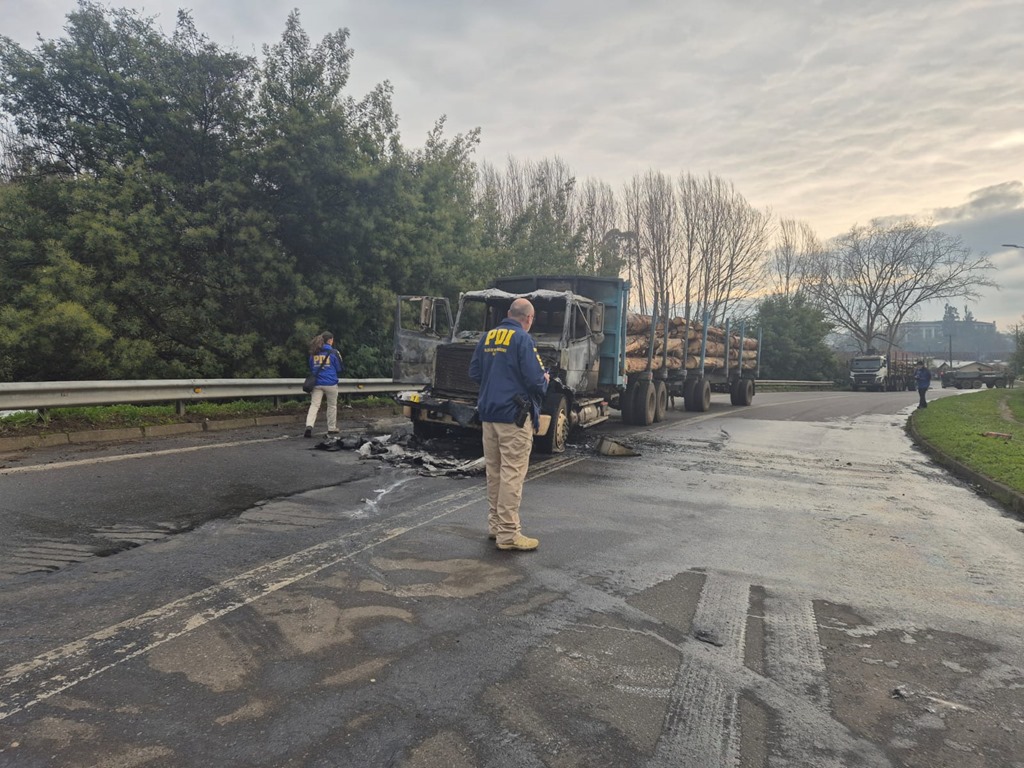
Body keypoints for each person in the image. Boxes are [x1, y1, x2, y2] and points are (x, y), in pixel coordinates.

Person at [469, 298, 550, 551]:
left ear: (508, 313)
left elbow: (474, 373)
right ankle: (508, 534)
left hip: (489, 415)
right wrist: (545, 379)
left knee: (494, 472)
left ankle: (495, 526)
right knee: (512, 474)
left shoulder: (488, 337)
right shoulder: (523, 339)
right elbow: (536, 381)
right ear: (529, 319)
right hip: (514, 417)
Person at [304, 332, 345, 438]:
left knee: (314, 405)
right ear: (330, 340)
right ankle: (331, 428)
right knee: (332, 406)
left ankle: (309, 425)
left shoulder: (314, 352)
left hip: (317, 383)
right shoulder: (334, 352)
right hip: (331, 383)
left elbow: (311, 366)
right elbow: (340, 368)